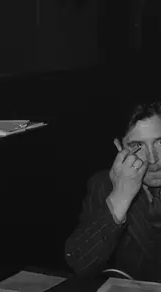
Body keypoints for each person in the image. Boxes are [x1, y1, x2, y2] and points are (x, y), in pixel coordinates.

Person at [65, 100, 161, 282]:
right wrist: (120, 197)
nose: (153, 158)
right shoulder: (104, 185)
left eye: (160, 142)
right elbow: (79, 263)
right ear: (119, 147)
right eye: (137, 146)